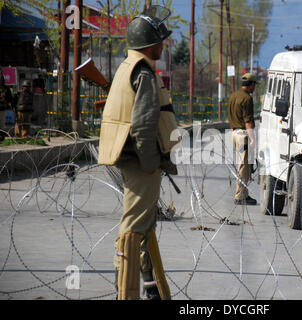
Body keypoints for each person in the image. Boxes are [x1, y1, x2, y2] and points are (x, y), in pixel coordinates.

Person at [97, 6, 178, 300]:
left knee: (141, 225)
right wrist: (149, 163)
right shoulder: (142, 72)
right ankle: (126, 291)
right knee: (134, 228)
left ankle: (149, 286)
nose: (163, 44)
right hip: (140, 162)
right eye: (160, 40)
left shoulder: (127, 66)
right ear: (149, 43)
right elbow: (144, 125)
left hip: (131, 158)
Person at [228, 73, 258, 205]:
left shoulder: (233, 96)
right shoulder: (247, 98)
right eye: (254, 85)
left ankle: (245, 194)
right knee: (242, 165)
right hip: (243, 134)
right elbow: (248, 121)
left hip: (234, 132)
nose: (255, 87)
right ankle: (239, 196)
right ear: (251, 84)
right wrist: (252, 139)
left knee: (245, 165)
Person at [0, 73, 13, 141]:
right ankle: (1, 137)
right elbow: (10, 99)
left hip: (2, 109)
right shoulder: (6, 88)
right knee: (2, 124)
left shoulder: (6, 89)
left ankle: (1, 137)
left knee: (2, 124)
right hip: (3, 109)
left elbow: (10, 98)